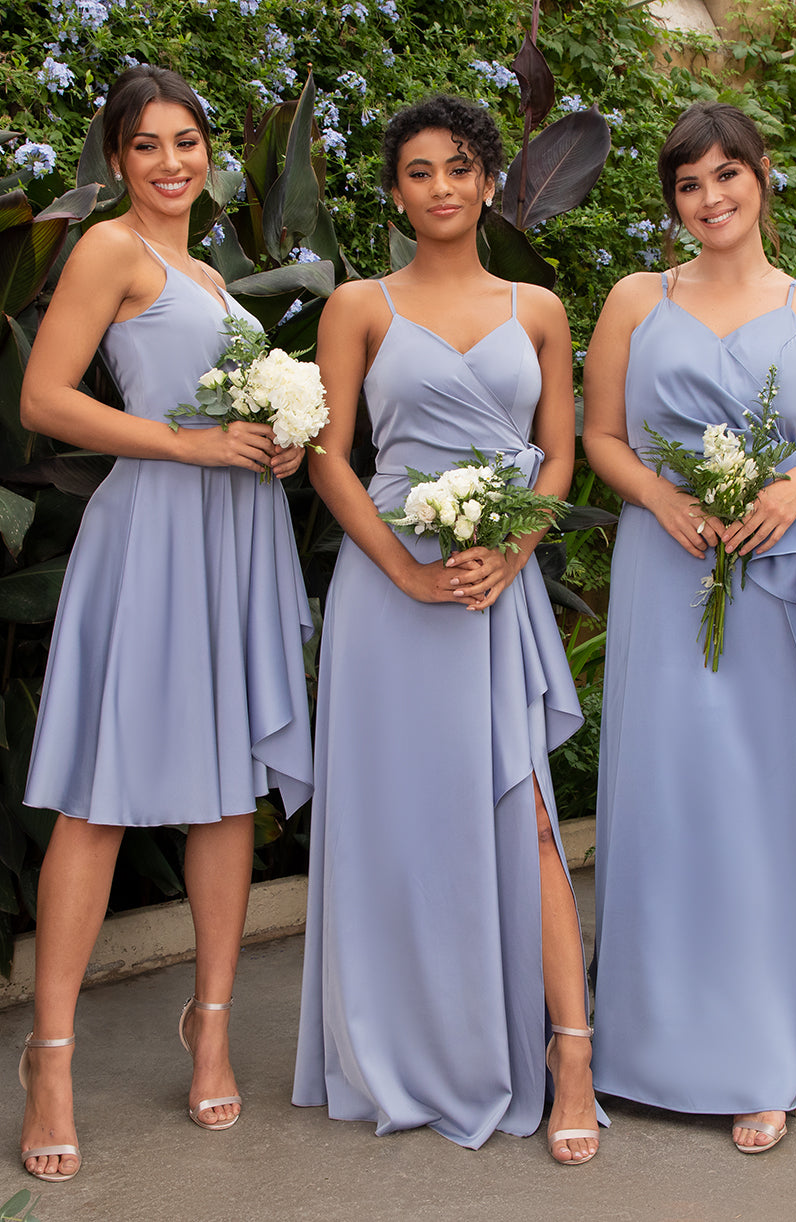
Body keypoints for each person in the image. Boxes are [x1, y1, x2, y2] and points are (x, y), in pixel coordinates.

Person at [583, 100, 796, 1153]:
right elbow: (601, 435)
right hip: (665, 565)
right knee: (665, 794)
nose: (709, 197)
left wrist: (791, 487)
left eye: (726, 174)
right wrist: (661, 499)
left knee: (762, 809)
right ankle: (644, 1048)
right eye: (688, 184)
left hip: (780, 575)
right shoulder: (636, 299)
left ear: (762, 175)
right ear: (671, 201)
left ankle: (764, 1057)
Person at [292, 95, 605, 1162]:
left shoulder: (539, 308)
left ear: (487, 184)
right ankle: (407, 1044)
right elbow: (328, 456)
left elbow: (556, 457)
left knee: (526, 817)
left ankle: (569, 1054)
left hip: (493, 589)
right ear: (394, 193)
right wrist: (404, 571)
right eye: (419, 170)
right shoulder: (358, 305)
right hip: (389, 594)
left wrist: (511, 556)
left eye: (460, 167)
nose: (441, 186)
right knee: (392, 821)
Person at [17, 65, 314, 1182]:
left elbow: (221, 404)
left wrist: (273, 441)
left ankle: (212, 1026)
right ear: (117, 159)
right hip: (152, 537)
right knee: (100, 796)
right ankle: (50, 1059)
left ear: (208, 154)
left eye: (186, 141)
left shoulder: (209, 274)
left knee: (226, 794)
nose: (171, 162)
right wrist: (192, 444)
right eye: (146, 145)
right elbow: (46, 397)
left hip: (232, 537)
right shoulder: (110, 249)